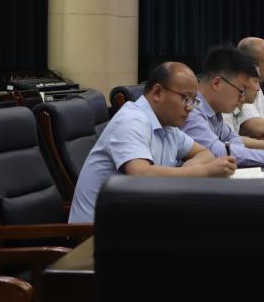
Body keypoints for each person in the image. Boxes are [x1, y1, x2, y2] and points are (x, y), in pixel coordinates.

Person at [69, 62, 235, 223]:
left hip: (134, 221)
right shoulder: (131, 120)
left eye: (193, 101)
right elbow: (141, 175)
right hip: (96, 232)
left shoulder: (168, 125)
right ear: (157, 92)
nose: (190, 107)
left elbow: (204, 153)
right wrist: (204, 171)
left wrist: (187, 170)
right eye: (185, 98)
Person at [183, 46, 264, 168]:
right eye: (241, 90)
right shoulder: (191, 111)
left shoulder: (214, 112)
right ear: (217, 83)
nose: (242, 98)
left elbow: (233, 140)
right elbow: (218, 152)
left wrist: (234, 151)